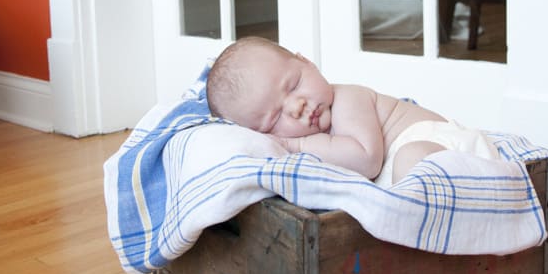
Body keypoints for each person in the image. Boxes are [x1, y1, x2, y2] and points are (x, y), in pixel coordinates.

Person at [206, 36, 499, 185]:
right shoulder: (314, 145)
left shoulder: (347, 98)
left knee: (412, 160)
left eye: (294, 84)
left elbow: (367, 160)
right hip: (425, 177)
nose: (297, 106)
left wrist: (293, 143)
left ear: (307, 62)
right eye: (275, 119)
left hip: (449, 148)